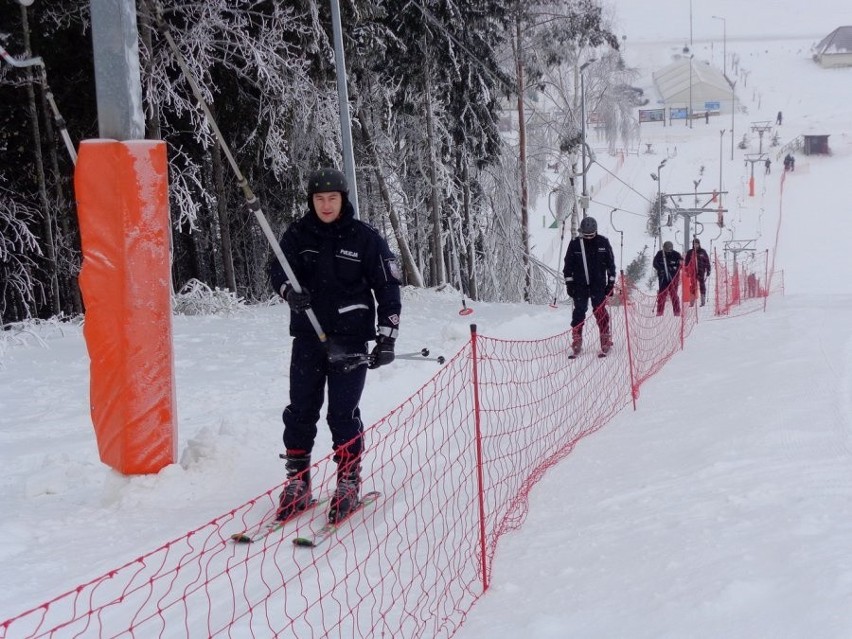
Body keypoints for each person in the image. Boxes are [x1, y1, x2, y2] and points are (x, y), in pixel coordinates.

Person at [268, 167, 402, 523]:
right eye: (318, 199)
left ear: (344, 199)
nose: (325, 205)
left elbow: (388, 288)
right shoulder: (298, 234)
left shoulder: (365, 238)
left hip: (350, 341)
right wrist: (288, 292)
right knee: (300, 410)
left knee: (342, 414)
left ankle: (348, 479)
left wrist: (387, 338)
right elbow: (276, 269)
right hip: (308, 338)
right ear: (311, 202)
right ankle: (298, 481)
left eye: (332, 198)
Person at [562, 216, 616, 355]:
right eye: (586, 235)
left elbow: (611, 265)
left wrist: (610, 284)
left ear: (596, 232)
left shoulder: (603, 243)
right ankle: (577, 338)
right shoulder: (575, 244)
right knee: (579, 311)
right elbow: (568, 266)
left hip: (598, 284)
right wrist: (569, 283)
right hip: (580, 284)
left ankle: (605, 337)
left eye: (591, 235)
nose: (589, 237)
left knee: (599, 310)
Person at [652, 241, 682, 316]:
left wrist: (677, 265)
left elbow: (681, 263)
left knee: (674, 294)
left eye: (670, 250)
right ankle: (660, 311)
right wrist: (661, 269)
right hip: (663, 277)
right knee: (662, 294)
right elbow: (655, 263)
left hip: (673, 277)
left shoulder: (676, 254)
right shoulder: (660, 254)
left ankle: (677, 311)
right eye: (666, 250)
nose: (668, 252)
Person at [684, 237, 711, 307]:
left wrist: (708, 270)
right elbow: (686, 263)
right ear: (693, 244)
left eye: (697, 244)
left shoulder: (702, 252)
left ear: (699, 244)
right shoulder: (690, 252)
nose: (696, 245)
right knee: (693, 285)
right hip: (693, 271)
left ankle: (703, 301)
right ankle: (692, 302)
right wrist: (686, 270)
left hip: (701, 271)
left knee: (702, 285)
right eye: (694, 244)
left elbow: (707, 261)